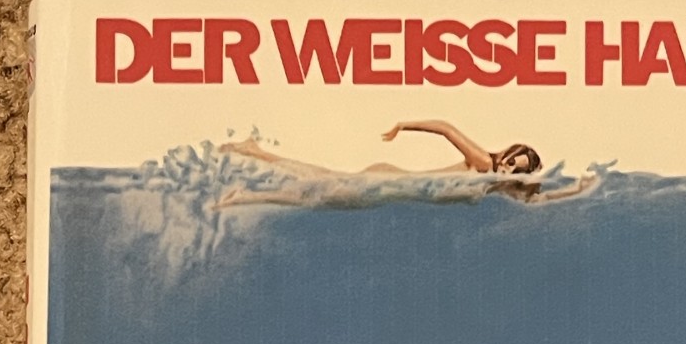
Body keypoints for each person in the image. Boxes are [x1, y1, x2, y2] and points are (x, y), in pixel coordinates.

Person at [218, 120, 596, 205]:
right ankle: (248, 188)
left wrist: (576, 190)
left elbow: (536, 201)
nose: (511, 169)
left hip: (392, 188)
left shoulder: (499, 186)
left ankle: (253, 160)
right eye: (513, 161)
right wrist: (403, 126)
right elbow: (446, 129)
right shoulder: (483, 164)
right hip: (387, 184)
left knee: (321, 186)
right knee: (317, 194)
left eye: (519, 168)